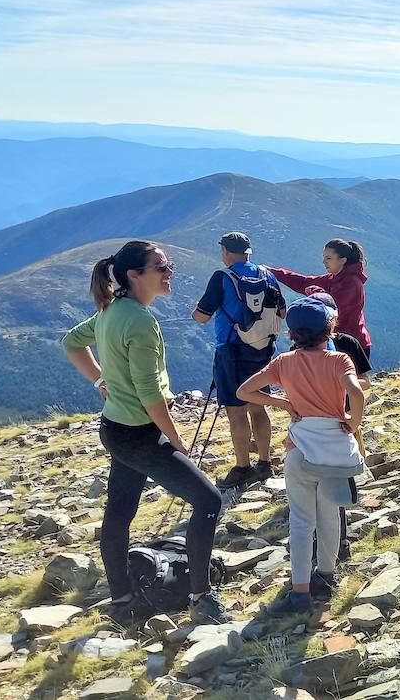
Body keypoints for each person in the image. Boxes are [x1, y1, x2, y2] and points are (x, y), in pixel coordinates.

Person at [62, 240, 230, 625]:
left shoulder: (111, 310)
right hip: (140, 433)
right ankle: (202, 598)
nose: (169, 271)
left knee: (120, 513)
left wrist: (99, 380)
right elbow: (149, 392)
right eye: (161, 266)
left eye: (168, 264)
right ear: (134, 275)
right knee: (209, 502)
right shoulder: (138, 319)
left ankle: (121, 599)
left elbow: (72, 342)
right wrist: (174, 437)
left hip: (115, 428)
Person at [237, 297, 365, 615]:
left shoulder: (283, 363)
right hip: (333, 454)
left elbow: (244, 392)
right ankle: (327, 576)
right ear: (329, 328)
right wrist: (353, 422)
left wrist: (282, 404)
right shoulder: (339, 361)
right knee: (329, 518)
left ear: (292, 333)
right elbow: (357, 392)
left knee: (301, 523)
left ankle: (299, 592)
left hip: (300, 453)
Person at [193, 231, 285, 491]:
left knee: (236, 410)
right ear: (249, 251)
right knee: (258, 405)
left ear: (225, 252)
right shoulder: (267, 275)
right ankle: (265, 462)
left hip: (231, 350)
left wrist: (197, 307)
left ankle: (243, 466)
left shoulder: (222, 277)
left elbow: (201, 317)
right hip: (262, 350)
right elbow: (283, 311)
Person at [304, 292, 370, 562]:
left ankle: (336, 541)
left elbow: (365, 382)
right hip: (333, 420)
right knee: (326, 480)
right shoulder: (301, 351)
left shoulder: (346, 344)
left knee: (332, 480)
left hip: (335, 420)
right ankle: (330, 539)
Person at [271, 238, 371, 357]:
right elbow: (304, 282)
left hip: (351, 345)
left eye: (328, 258)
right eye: (324, 257)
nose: (324, 262)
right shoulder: (333, 278)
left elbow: (330, 307)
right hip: (335, 340)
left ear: (343, 260)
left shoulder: (352, 284)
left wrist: (314, 291)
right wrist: (273, 272)